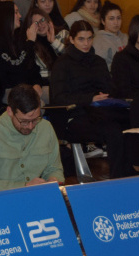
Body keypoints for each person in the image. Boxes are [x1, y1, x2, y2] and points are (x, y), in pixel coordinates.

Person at [49, 21, 130, 179]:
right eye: (81, 39)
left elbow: (110, 87)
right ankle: (118, 179)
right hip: (74, 116)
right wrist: (90, 98)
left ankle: (131, 173)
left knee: (129, 122)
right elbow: (58, 98)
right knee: (113, 130)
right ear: (71, 39)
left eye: (89, 38)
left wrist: (108, 95)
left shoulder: (98, 62)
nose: (86, 43)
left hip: (101, 111)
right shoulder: (62, 64)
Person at [0, 84, 63, 192]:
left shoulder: (46, 128)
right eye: (24, 121)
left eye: (35, 119)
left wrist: (53, 179)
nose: (30, 126)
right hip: (3, 199)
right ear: (10, 111)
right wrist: (25, 186)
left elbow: (54, 168)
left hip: (39, 194)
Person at [92, 1, 127, 69]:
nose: (116, 22)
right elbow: (99, 69)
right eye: (111, 18)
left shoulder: (126, 37)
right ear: (103, 21)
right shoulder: (98, 41)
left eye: (118, 18)